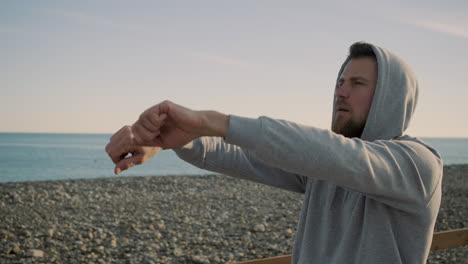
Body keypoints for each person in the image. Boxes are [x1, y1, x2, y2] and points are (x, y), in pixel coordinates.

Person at [105, 42, 443, 263]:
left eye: (357, 84)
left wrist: (210, 120)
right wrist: (177, 139)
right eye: (340, 82)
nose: (341, 92)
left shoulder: (416, 164)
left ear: (391, 97)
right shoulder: (324, 168)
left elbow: (335, 155)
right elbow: (246, 156)